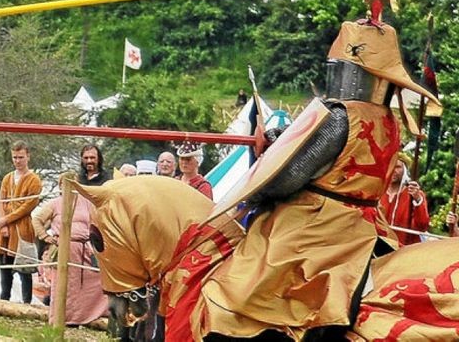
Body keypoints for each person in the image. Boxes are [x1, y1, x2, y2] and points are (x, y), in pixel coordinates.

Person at [184, 17, 442, 339]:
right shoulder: (390, 120)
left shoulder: (340, 115)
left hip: (316, 224)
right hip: (367, 224)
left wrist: (259, 193)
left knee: (241, 289)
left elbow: (291, 176)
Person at [33, 187, 108, 324]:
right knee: (64, 283)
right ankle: (61, 317)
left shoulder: (86, 203)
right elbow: (37, 219)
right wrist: (45, 236)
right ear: (61, 186)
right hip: (64, 247)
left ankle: (84, 315)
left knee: (93, 278)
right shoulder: (55, 203)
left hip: (85, 247)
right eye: (67, 184)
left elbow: (96, 222)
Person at [0, 141, 41, 303]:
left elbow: (27, 206)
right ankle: (4, 299)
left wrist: (7, 219)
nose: (17, 161)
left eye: (21, 157)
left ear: (28, 156)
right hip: (5, 231)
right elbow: (1, 201)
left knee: (24, 269)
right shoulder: (7, 178)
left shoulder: (34, 180)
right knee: (4, 268)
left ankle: (26, 301)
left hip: (22, 229)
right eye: (15, 157)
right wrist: (3, 224)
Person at [379, 155, 429, 245]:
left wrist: (417, 199)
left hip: (406, 249)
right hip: (381, 246)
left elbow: (422, 226)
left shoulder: (415, 194)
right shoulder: (378, 192)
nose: (393, 170)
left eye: (397, 167)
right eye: (391, 166)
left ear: (405, 170)